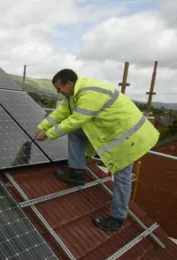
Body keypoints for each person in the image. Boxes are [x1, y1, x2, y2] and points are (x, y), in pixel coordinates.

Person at [34, 69, 159, 232]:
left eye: (59, 89)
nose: (58, 92)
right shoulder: (73, 95)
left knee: (122, 177)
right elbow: (61, 113)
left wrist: (48, 134)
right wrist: (41, 126)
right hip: (113, 131)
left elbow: (76, 120)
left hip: (129, 137)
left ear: (69, 84)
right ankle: (77, 172)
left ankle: (117, 218)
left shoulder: (89, 93)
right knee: (75, 133)